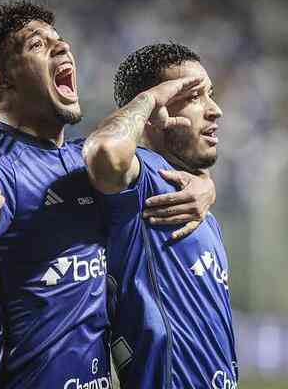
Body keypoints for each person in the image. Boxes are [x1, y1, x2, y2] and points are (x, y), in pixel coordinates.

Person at [0, 0, 216, 388]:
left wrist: (204, 184)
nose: (62, 48)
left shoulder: (81, 164)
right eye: (37, 45)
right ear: (0, 81)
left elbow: (147, 170)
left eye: (60, 41)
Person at [83, 43, 238, 388]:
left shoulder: (195, 199)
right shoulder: (140, 181)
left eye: (210, 94)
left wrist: (204, 182)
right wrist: (147, 101)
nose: (215, 110)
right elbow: (104, 152)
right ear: (154, 111)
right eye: (193, 97)